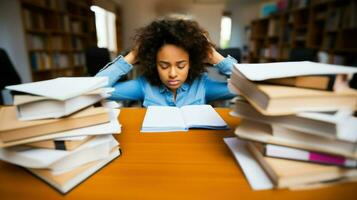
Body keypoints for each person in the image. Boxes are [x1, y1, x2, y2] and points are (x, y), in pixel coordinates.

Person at [95, 18, 237, 107]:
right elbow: (94, 90)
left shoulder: (202, 85)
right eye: (164, 66)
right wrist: (133, 55)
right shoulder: (144, 86)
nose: (172, 74)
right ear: (153, 63)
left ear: (191, 63)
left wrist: (214, 56)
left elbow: (251, 89)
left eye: (181, 65)